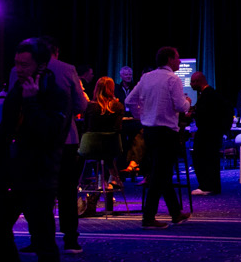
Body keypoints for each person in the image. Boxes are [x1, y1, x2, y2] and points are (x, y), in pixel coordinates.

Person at [0, 38, 70, 262]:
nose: (18, 68)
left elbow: (50, 134)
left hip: (39, 175)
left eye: (24, 64)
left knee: (42, 238)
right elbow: (5, 133)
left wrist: (31, 104)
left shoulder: (55, 93)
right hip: (9, 173)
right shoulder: (16, 89)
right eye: (16, 63)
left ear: (41, 65)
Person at [128, 45, 191, 227]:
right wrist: (187, 102)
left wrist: (141, 115)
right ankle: (148, 217)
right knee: (158, 175)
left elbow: (129, 100)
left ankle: (175, 213)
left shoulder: (146, 77)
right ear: (170, 59)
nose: (179, 61)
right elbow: (180, 106)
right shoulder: (173, 79)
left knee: (162, 173)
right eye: (177, 58)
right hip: (166, 132)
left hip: (149, 131)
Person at [45, 39, 89, 254]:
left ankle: (39, 238)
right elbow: (81, 104)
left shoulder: (18, 69)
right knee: (66, 190)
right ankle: (70, 238)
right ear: (56, 51)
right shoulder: (66, 69)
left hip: (34, 140)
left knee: (38, 191)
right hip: (65, 136)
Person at [78, 77, 126, 216]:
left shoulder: (89, 106)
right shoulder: (118, 106)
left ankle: (104, 182)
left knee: (98, 150)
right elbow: (118, 128)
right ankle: (112, 177)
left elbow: (86, 128)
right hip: (111, 147)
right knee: (108, 147)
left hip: (89, 147)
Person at [190, 70, 227, 195]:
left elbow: (205, 114)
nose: (190, 85)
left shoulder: (206, 95)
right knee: (211, 159)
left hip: (207, 133)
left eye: (191, 82)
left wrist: (192, 114)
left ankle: (206, 186)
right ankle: (212, 186)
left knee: (202, 159)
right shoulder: (212, 93)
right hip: (214, 132)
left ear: (197, 81)